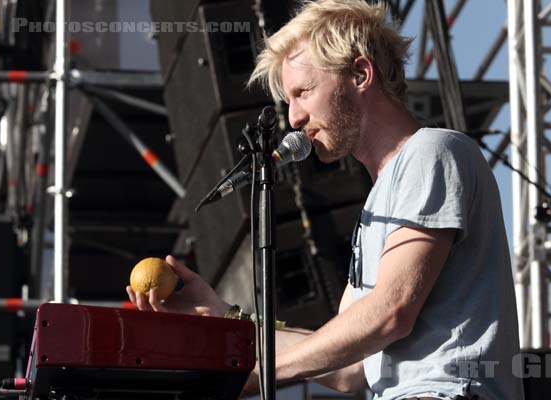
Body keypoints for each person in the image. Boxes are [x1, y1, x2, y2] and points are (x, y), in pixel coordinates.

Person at [127, 1, 524, 399]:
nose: (294, 117)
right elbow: (351, 368)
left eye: (303, 92)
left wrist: (256, 373)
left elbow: (390, 313)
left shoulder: (432, 151)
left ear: (360, 74)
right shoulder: (376, 205)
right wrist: (224, 318)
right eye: (289, 101)